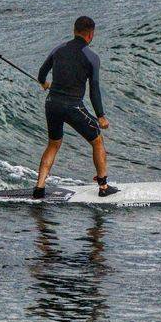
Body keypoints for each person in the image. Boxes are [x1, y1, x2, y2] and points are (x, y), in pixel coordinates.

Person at [34, 16, 119, 199]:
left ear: (74, 30)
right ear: (91, 34)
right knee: (97, 140)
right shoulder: (92, 58)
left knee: (53, 144)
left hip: (52, 103)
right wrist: (101, 116)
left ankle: (39, 188)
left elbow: (41, 73)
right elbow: (94, 89)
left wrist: (44, 83)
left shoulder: (58, 49)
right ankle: (103, 186)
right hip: (72, 106)